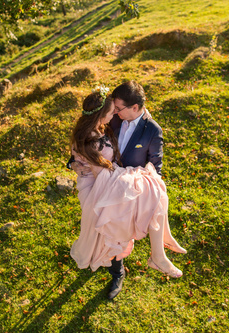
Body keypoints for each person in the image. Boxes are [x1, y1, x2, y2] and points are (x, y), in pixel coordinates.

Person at [69, 83, 186, 300]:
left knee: (155, 192)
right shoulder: (110, 118)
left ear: (134, 107)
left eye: (118, 108)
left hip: (123, 183)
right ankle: (118, 271)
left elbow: (156, 164)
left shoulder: (152, 130)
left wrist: (146, 183)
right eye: (113, 109)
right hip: (104, 181)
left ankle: (157, 252)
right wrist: (73, 163)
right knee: (110, 231)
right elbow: (85, 141)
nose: (115, 111)